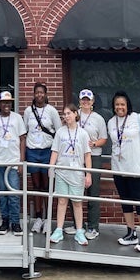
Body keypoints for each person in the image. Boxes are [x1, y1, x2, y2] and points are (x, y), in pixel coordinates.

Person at [107, 90, 140, 253]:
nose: (119, 107)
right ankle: (131, 233)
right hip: (118, 167)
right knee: (125, 200)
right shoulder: (110, 122)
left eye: (122, 104)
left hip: (136, 168)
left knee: (139, 200)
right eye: (117, 104)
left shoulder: (138, 118)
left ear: (127, 105)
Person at [48, 103, 92, 246]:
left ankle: (79, 231)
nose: (66, 116)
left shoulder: (83, 133)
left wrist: (88, 174)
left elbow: (87, 155)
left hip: (77, 173)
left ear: (75, 114)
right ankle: (59, 230)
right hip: (62, 171)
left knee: (77, 203)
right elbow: (55, 151)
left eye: (68, 113)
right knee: (61, 201)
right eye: (64, 114)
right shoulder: (60, 132)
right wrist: (51, 167)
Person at [23, 81, 62, 232]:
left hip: (47, 151)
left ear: (45, 94)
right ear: (34, 94)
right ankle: (38, 218)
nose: (39, 95)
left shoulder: (51, 111)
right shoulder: (28, 111)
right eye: (37, 92)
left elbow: (58, 132)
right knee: (36, 186)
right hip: (32, 151)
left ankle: (48, 219)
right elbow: (25, 130)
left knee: (47, 186)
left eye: (42, 92)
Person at [0, 90, 26, 236]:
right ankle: (5, 221)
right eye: (4, 102)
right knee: (2, 194)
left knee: (14, 194)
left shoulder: (17, 118)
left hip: (13, 162)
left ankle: (15, 223)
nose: (6, 105)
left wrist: (21, 161)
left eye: (9, 102)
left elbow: (23, 139)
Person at [78, 89, 108, 239]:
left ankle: (93, 226)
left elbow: (104, 138)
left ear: (93, 102)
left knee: (93, 191)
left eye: (88, 100)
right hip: (76, 158)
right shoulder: (74, 114)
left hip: (94, 156)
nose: (85, 102)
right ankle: (78, 224)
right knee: (75, 191)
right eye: (83, 99)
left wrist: (94, 143)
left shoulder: (98, 118)